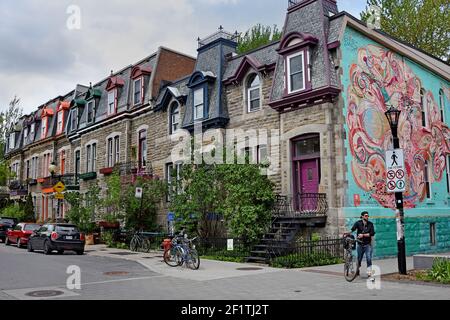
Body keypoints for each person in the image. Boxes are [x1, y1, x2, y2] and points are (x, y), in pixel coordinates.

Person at [351, 211, 376, 278]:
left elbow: (372, 233)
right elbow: (353, 229)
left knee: (368, 258)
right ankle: (357, 270)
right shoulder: (358, 223)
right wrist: (349, 233)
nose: (367, 217)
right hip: (360, 244)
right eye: (365, 215)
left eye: (367, 216)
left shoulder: (370, 224)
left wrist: (363, 235)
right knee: (359, 259)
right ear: (362, 216)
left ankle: (369, 272)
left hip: (367, 244)